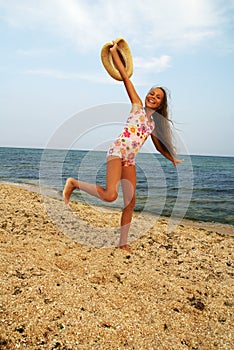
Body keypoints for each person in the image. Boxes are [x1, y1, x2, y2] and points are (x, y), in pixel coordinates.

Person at [63, 42, 183, 253]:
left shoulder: (153, 124)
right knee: (111, 196)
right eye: (152, 93)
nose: (152, 97)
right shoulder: (136, 105)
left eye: (157, 97)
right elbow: (126, 77)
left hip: (130, 159)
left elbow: (158, 145)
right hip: (117, 151)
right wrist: (113, 53)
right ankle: (73, 183)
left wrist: (171, 158)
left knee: (130, 201)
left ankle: (123, 243)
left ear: (161, 104)